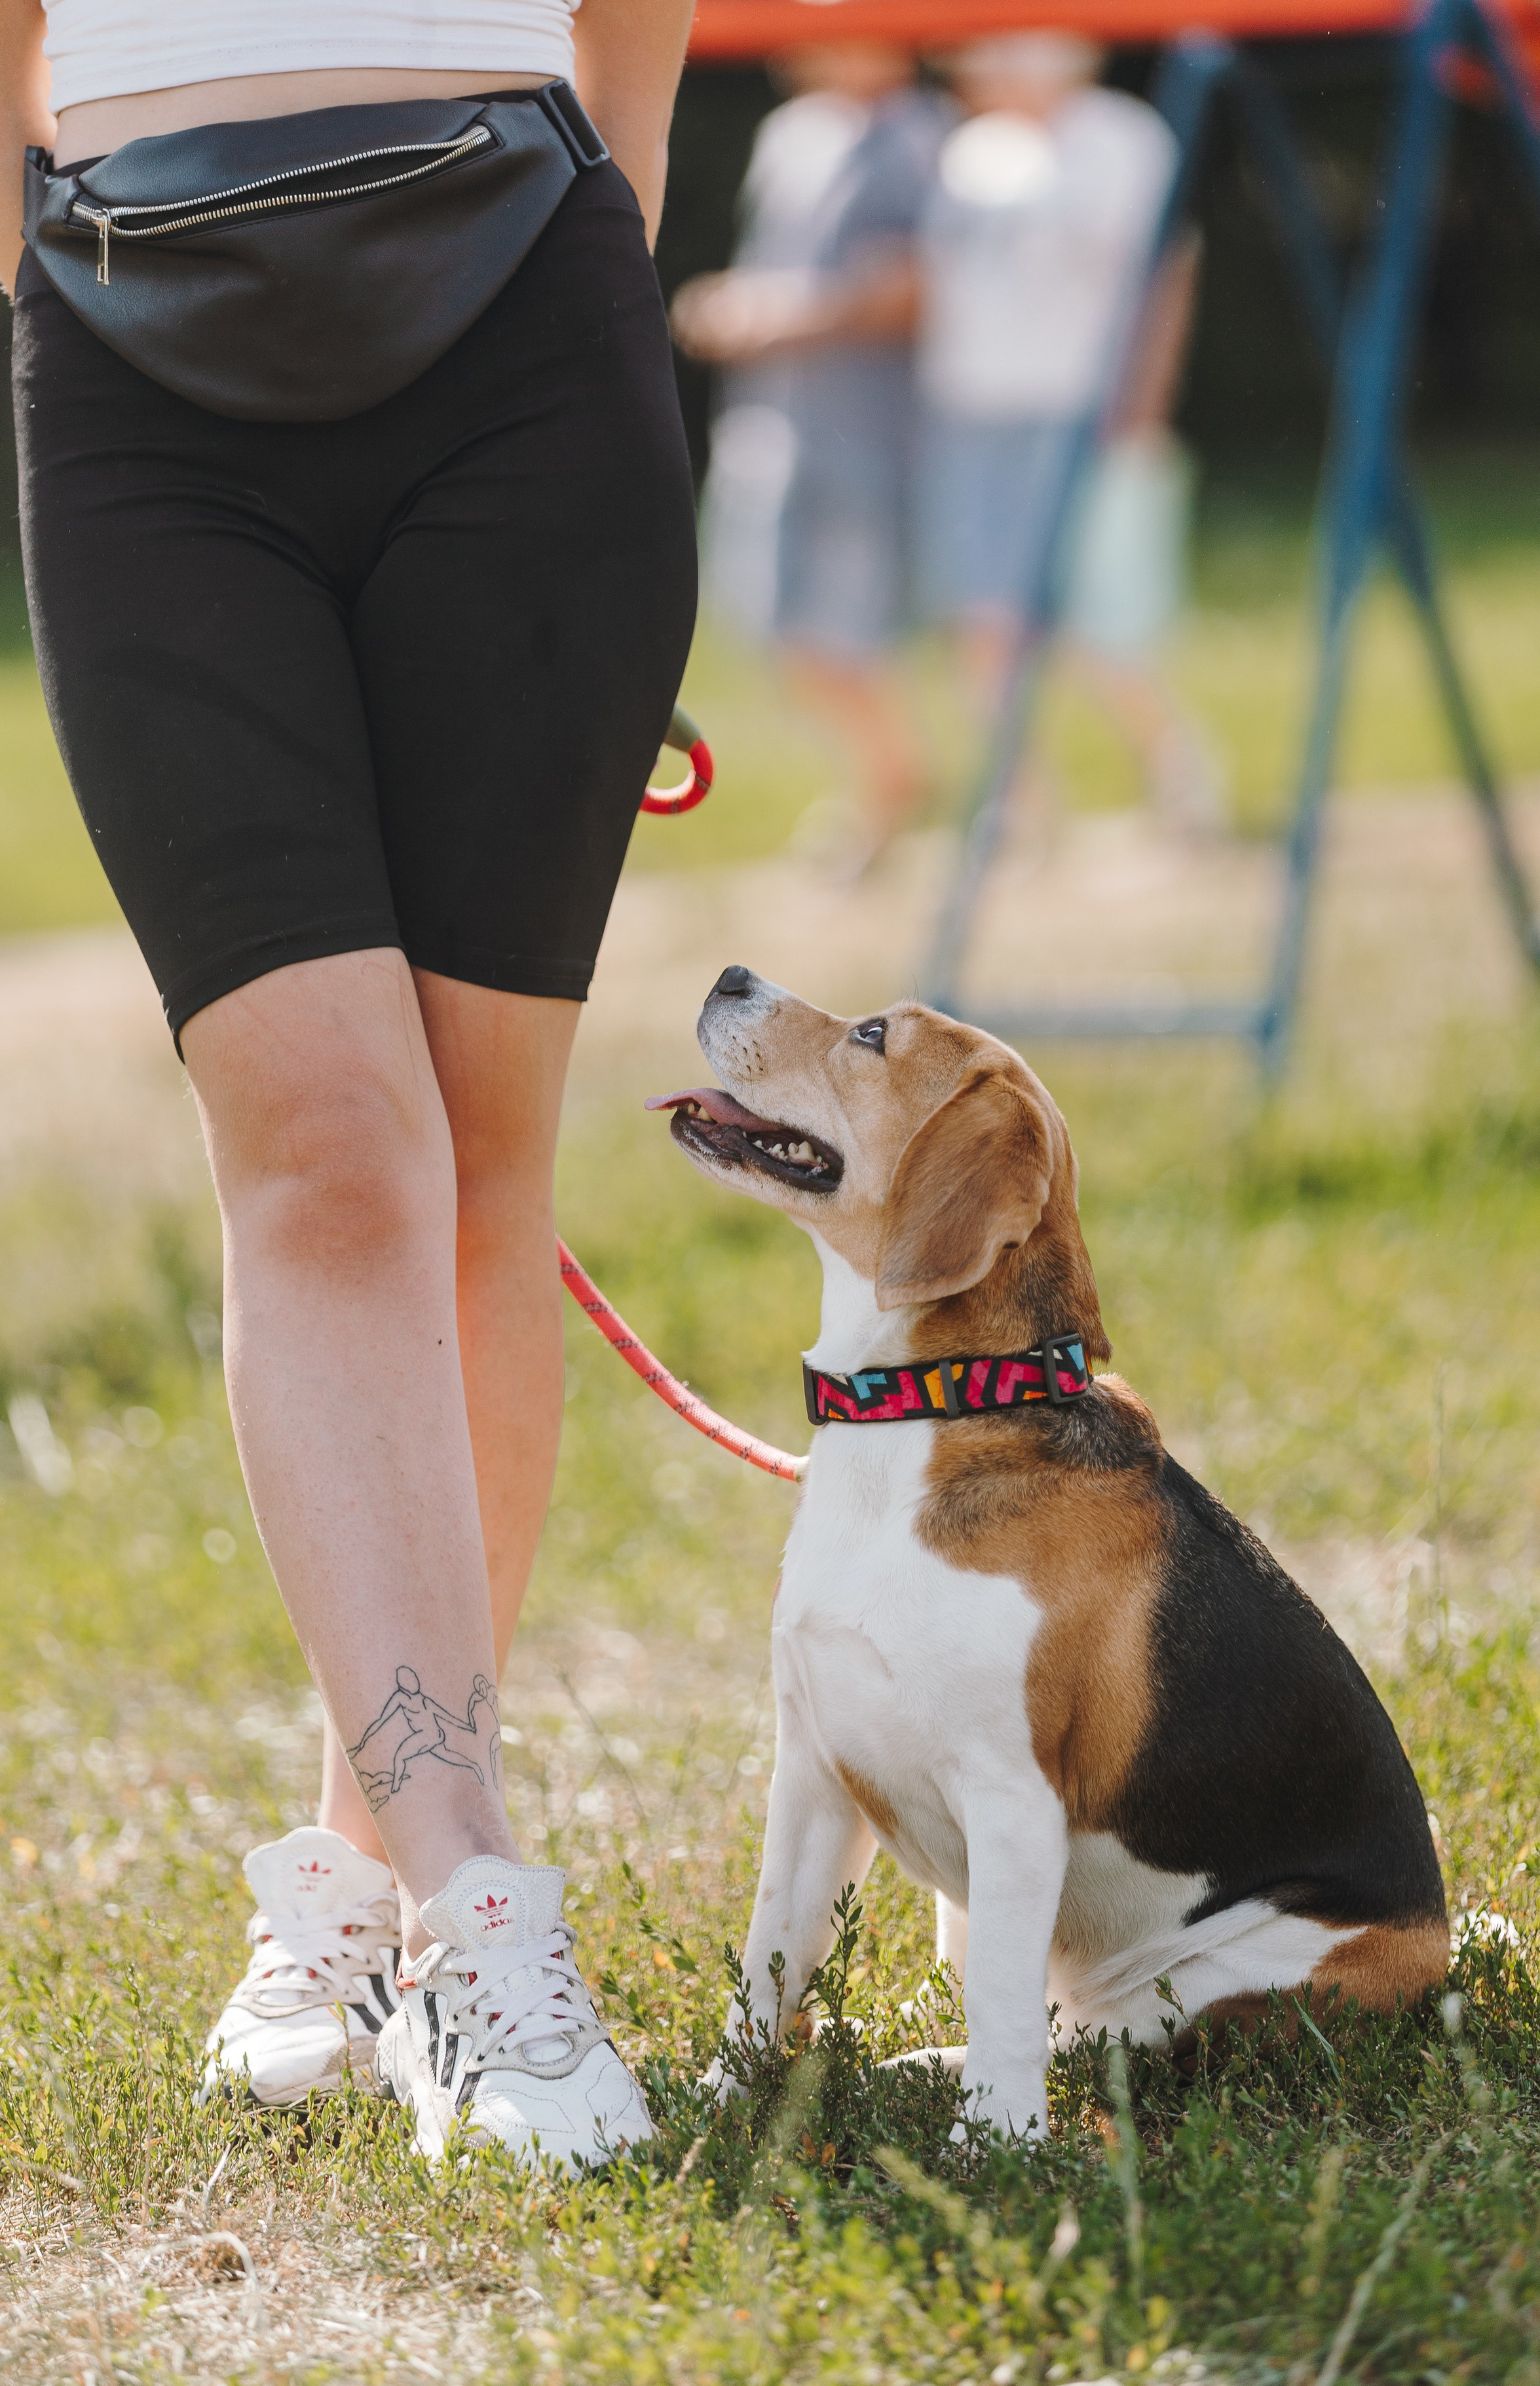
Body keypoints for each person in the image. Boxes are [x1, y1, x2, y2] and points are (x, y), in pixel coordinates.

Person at [1, 0, 698, 2167]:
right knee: (326, 1159)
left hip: (528, 327)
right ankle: (486, 1904)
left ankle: (363, 1871)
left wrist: (610, 273)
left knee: (481, 1176)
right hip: (126, 343)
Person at [916, 32, 1224, 836]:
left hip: (1079, 410)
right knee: (984, 619)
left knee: (1101, 624)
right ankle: (1021, 806)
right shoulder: (972, 150)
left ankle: (1182, 779)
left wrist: (1143, 404)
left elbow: (1169, 269)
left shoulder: (1118, 139)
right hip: (974, 409)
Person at [672, 45, 947, 875]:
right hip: (776, 423)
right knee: (784, 624)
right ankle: (899, 782)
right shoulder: (792, 133)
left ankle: (901, 793)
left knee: (847, 629)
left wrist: (776, 318)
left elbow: (915, 285)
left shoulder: (917, 141)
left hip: (868, 425)